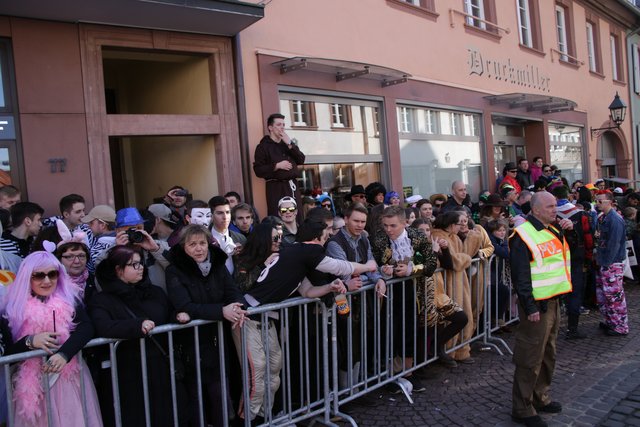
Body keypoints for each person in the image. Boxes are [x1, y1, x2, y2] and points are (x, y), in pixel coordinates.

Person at [234, 219, 375, 423]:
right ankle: (247, 421)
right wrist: (368, 266)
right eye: (326, 235)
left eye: (279, 238)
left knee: (274, 370)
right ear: (316, 237)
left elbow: (307, 291)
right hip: (247, 318)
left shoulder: (295, 256)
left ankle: (264, 419)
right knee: (256, 375)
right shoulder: (307, 251)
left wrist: (330, 287)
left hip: (267, 320)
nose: (328, 239)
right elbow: (339, 266)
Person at [90, 245, 189, 426]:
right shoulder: (102, 299)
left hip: (161, 367)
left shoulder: (155, 292)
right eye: (134, 264)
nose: (140, 267)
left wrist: (177, 316)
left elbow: (166, 312)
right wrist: (136, 325)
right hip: (129, 373)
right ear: (118, 270)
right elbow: (104, 326)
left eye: (140, 263)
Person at [3, 251, 102, 426]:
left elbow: (87, 328)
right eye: (39, 275)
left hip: (68, 379)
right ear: (27, 277)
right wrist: (30, 341)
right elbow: (8, 351)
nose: (47, 280)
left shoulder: (69, 300)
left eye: (52, 274)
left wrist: (64, 354)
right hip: (31, 387)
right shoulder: (12, 307)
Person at [165, 224, 246, 427]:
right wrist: (221, 311)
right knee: (196, 397)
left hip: (219, 340)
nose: (199, 248)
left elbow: (232, 291)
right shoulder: (174, 270)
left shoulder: (218, 264)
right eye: (192, 244)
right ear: (183, 247)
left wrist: (237, 306)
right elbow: (184, 305)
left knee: (220, 394)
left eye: (202, 243)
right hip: (191, 344)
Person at [510, 191, 573, 427]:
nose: (555, 209)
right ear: (535, 209)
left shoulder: (553, 229)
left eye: (555, 205)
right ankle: (522, 408)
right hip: (537, 306)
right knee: (530, 356)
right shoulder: (523, 235)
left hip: (553, 301)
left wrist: (569, 232)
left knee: (548, 354)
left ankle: (540, 397)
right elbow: (521, 276)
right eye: (549, 206)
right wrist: (530, 306)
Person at [370, 205, 437, 391]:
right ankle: (390, 375)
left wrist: (411, 269)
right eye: (385, 225)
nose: (388, 229)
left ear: (404, 223)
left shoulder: (417, 236)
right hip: (387, 293)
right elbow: (373, 262)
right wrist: (383, 270)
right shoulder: (379, 238)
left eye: (393, 225)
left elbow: (431, 263)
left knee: (409, 331)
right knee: (389, 331)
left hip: (413, 290)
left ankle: (408, 373)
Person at [325, 204, 387, 389]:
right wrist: (366, 273)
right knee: (347, 345)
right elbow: (346, 273)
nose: (360, 225)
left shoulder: (364, 239)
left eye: (363, 222)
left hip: (361, 301)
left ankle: (357, 386)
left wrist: (378, 279)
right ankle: (346, 390)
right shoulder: (335, 243)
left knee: (361, 342)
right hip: (341, 300)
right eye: (356, 221)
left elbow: (371, 266)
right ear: (346, 219)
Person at [430, 211, 475, 363]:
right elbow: (453, 262)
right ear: (451, 224)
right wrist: (467, 258)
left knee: (466, 315)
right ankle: (449, 351)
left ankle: (461, 351)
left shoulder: (454, 237)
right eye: (458, 224)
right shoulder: (439, 236)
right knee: (454, 319)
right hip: (447, 283)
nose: (461, 226)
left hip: (459, 281)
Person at [553, 185, 590, 339]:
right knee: (575, 292)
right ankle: (572, 328)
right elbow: (588, 238)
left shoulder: (551, 215)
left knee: (555, 293)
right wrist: (588, 257)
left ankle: (552, 328)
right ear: (568, 195)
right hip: (576, 257)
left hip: (555, 257)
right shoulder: (580, 214)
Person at [253, 113, 306, 217]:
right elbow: (258, 170)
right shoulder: (263, 147)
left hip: (292, 186)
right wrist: (277, 166)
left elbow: (301, 159)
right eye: (278, 125)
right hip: (276, 188)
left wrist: (290, 144)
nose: (282, 127)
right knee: (279, 216)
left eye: (283, 125)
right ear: (270, 128)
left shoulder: (287, 144)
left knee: (296, 215)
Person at [594, 190, 629, 336]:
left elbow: (614, 243)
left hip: (611, 263)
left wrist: (607, 263)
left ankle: (620, 326)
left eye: (600, 201)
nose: (597, 204)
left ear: (609, 202)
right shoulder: (604, 217)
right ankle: (612, 322)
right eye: (596, 201)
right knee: (606, 296)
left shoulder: (614, 219)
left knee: (614, 296)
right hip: (605, 262)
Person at [208, 196, 246, 274]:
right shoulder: (204, 238)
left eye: (228, 212)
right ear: (211, 215)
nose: (225, 217)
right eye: (220, 213)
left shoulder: (240, 238)